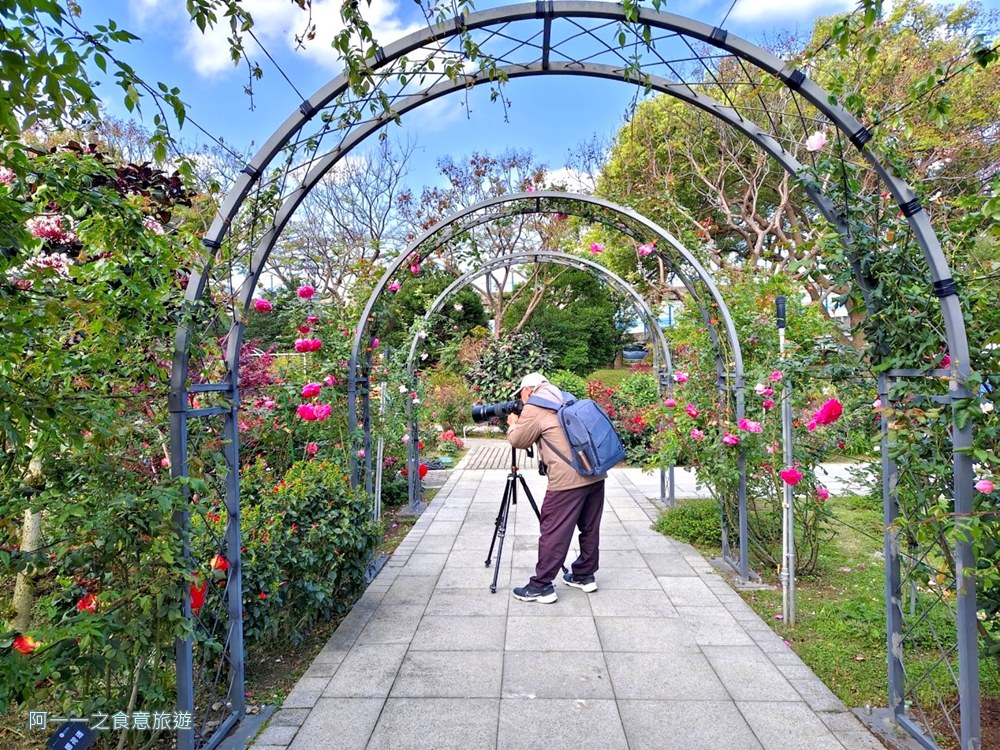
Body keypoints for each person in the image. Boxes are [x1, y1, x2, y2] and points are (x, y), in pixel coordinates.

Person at [505, 372, 606, 603]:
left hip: (567, 481)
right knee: (589, 527)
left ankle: (541, 586)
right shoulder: (564, 397)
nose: (521, 400)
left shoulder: (535, 405)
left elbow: (519, 440)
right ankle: (584, 575)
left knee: (553, 530)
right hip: (594, 472)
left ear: (528, 389)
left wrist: (512, 425)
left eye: (521, 395)